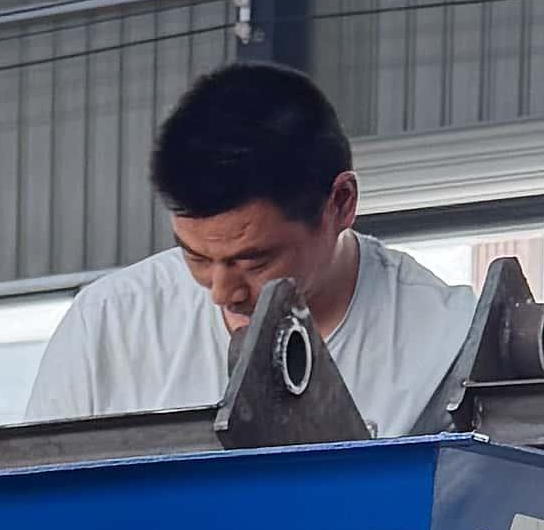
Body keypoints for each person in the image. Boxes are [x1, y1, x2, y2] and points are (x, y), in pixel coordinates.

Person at [25, 62, 476, 430]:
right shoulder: (109, 326)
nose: (222, 292)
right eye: (197, 257)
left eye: (254, 260)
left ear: (340, 203)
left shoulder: (446, 343)